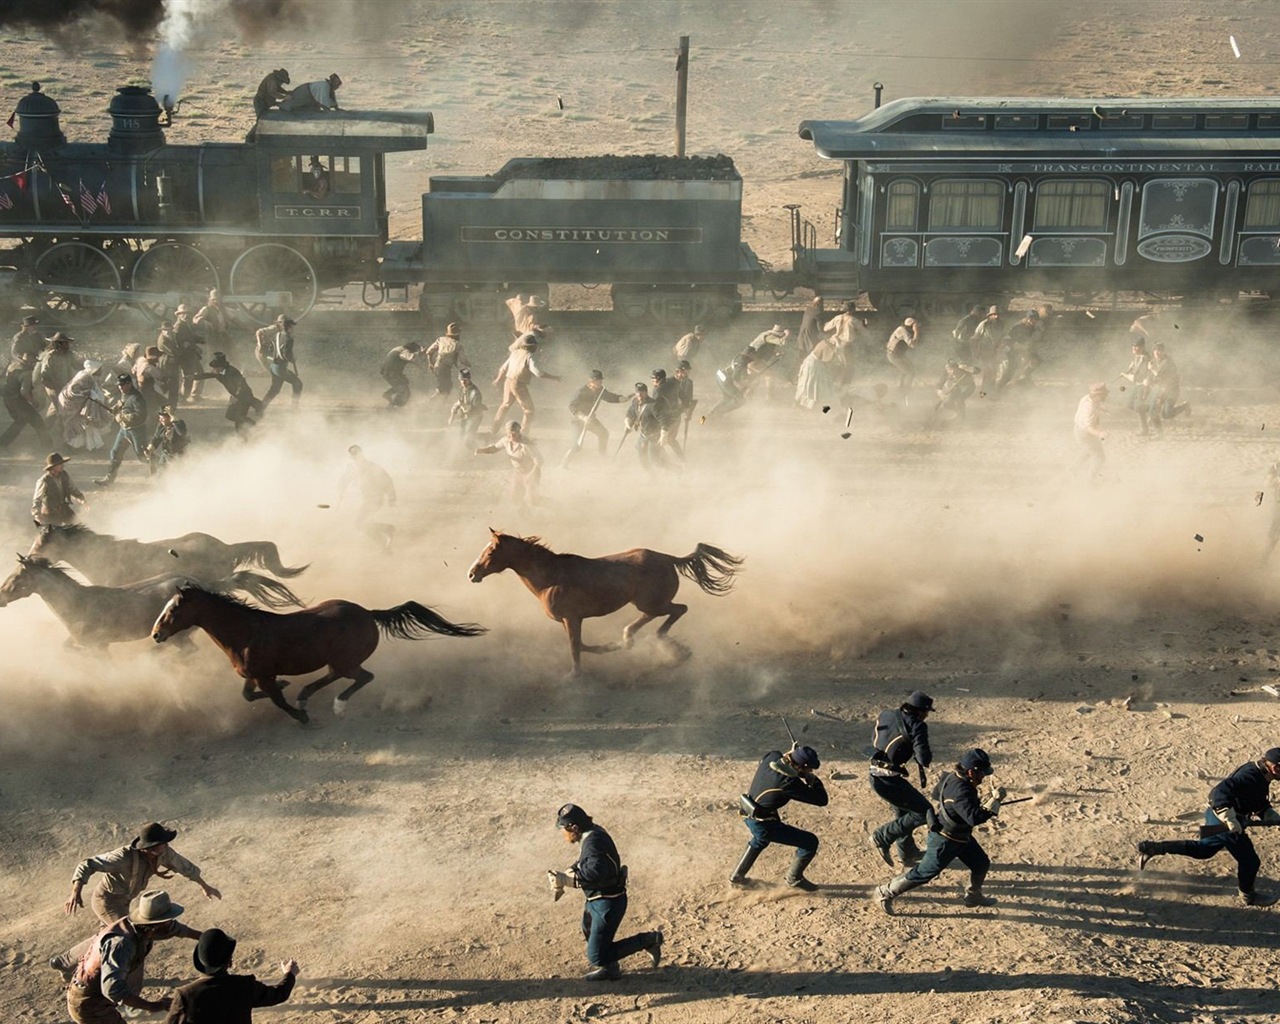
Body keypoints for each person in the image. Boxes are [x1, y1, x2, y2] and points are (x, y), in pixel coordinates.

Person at [1137, 747, 1280, 906]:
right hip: (1223, 821)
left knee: (1204, 850)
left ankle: (1152, 848)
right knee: (1250, 862)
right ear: (1275, 768)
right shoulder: (1250, 775)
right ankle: (1249, 897)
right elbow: (1219, 792)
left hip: (1217, 818)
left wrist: (1268, 814)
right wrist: (1228, 818)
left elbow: (1253, 798)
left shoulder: (1261, 774)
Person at [874, 748, 1002, 914]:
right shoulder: (962, 791)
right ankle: (885, 892)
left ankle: (973, 895)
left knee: (981, 863)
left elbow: (937, 795)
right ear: (971, 772)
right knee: (923, 873)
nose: (983, 778)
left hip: (961, 836)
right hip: (945, 840)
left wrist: (963, 806)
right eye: (982, 774)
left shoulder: (952, 777)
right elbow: (974, 818)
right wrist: (994, 803)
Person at [546, 803, 663, 982]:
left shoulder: (593, 842)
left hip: (608, 903)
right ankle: (611, 969)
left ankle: (649, 940)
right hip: (598, 899)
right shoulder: (591, 833)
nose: (564, 833)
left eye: (565, 829)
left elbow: (596, 871)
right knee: (588, 928)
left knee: (597, 957)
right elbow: (586, 861)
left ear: (574, 827)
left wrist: (568, 880)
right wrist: (570, 870)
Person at [65, 889, 199, 1024]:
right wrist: (152, 1006)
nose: (172, 923)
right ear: (154, 925)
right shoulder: (122, 945)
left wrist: (205, 938)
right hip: (91, 1006)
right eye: (168, 921)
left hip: (99, 1001)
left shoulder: (144, 927)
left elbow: (177, 929)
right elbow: (113, 990)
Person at [63, 822, 222, 927]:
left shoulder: (164, 853)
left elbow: (184, 867)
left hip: (126, 901)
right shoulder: (122, 857)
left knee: (108, 937)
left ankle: (66, 962)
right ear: (149, 848)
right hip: (107, 902)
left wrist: (204, 886)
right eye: (162, 843)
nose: (166, 845)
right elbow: (87, 864)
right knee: (129, 936)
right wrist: (75, 893)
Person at [730, 743, 828, 890]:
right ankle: (793, 878)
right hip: (763, 824)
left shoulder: (773, 756)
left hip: (748, 812)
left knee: (760, 840)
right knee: (810, 842)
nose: (811, 771)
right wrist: (814, 781)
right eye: (808, 768)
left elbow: (772, 757)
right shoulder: (788, 783)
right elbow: (821, 800)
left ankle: (736, 878)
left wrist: (791, 754)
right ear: (800, 766)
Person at [165, 928, 298, 1023]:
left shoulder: (185, 995)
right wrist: (289, 974)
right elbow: (279, 994)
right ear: (229, 961)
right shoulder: (245, 986)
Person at [868, 692, 935, 868]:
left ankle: (907, 852)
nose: (927, 715)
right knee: (924, 812)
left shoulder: (886, 714)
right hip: (889, 781)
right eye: (926, 712)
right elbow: (924, 759)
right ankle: (881, 836)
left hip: (876, 774)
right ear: (920, 711)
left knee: (904, 812)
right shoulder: (918, 726)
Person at [490, 333, 560, 431]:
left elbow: (503, 368)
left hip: (508, 381)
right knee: (529, 410)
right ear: (531, 346)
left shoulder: (515, 353)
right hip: (518, 384)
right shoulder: (529, 356)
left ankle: (493, 430)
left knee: (505, 405)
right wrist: (554, 378)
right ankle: (523, 434)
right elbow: (538, 372)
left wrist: (498, 379)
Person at [337, 444, 396, 550]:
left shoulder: (372, 467)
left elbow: (387, 481)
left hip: (375, 499)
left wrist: (392, 498)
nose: (355, 457)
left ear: (361, 454)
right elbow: (344, 480)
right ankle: (384, 546)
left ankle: (388, 530)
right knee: (366, 524)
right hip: (366, 500)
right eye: (353, 455)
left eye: (356, 454)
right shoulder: (354, 469)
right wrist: (341, 491)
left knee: (359, 524)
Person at [95, 374, 149, 486]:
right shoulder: (124, 394)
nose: (120, 387)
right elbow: (123, 404)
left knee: (143, 456)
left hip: (137, 431)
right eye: (119, 385)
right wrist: (116, 409)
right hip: (124, 430)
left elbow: (141, 415)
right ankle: (110, 478)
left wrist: (123, 417)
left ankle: (164, 466)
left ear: (129, 383)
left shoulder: (137, 398)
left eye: (122, 385)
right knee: (115, 452)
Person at [193, 352, 261, 437]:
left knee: (238, 418)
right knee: (230, 415)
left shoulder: (233, 372)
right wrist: (194, 377)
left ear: (221, 366)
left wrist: (236, 396)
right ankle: (251, 425)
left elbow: (241, 385)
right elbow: (208, 375)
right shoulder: (218, 372)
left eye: (215, 367)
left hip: (243, 396)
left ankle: (248, 432)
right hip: (236, 396)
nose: (214, 369)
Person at [476, 421, 542, 506]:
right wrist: (481, 450)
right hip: (518, 473)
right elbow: (495, 448)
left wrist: (531, 475)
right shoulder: (506, 440)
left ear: (518, 432)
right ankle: (527, 517)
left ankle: (557, 506)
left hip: (531, 472)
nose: (511, 436)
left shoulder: (526, 445)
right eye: (508, 433)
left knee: (533, 501)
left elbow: (539, 461)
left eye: (513, 434)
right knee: (515, 498)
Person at [566, 370, 625, 457]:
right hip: (578, 421)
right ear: (591, 381)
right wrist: (583, 417)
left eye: (601, 381)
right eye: (598, 381)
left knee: (604, 434)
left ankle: (602, 457)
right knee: (576, 445)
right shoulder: (581, 392)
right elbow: (572, 406)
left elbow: (610, 397)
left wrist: (620, 398)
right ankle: (564, 463)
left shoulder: (600, 390)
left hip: (591, 420)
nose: (600, 383)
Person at [0, 349, 52, 448]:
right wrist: (33, 401)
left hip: (8, 399)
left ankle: (2, 443)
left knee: (20, 422)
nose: (34, 364)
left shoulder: (12, 365)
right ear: (30, 360)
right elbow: (24, 391)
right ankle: (47, 447)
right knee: (38, 422)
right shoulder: (26, 372)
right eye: (33, 361)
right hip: (18, 401)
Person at [56, 359, 112, 450]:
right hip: (70, 403)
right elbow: (73, 390)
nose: (101, 371)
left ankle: (88, 446)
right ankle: (72, 447)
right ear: (95, 370)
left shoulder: (89, 376)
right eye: (99, 369)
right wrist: (88, 393)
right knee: (79, 422)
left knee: (86, 422)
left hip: (81, 403)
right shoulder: (84, 376)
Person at [1145, 341, 1190, 434]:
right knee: (1153, 408)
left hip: (1171, 390)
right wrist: (1148, 381)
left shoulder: (1168, 362)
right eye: (1156, 350)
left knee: (1167, 414)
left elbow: (1161, 376)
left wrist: (1152, 369)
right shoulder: (1153, 362)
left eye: (1160, 350)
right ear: (1153, 351)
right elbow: (1151, 377)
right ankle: (1158, 431)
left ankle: (1184, 407)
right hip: (1161, 389)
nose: (1158, 352)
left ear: (1163, 351)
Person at [32, 451, 87, 526]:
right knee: (53, 535)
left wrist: (82, 500)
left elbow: (73, 489)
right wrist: (37, 514)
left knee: (78, 527)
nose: (63, 466)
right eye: (60, 464)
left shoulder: (64, 475)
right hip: (50, 513)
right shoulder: (43, 481)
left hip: (64, 509)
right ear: (53, 467)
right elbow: (37, 500)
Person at [259, 315, 302, 409]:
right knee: (298, 384)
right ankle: (294, 407)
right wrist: (292, 359)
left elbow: (271, 349)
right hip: (281, 368)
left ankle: (261, 407)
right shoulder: (289, 339)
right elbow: (286, 354)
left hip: (273, 366)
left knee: (274, 389)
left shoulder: (276, 335)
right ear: (289, 326)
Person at [624, 382, 666, 471]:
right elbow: (630, 414)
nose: (639, 394)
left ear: (646, 392)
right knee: (642, 457)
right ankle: (652, 477)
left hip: (654, 436)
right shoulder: (635, 402)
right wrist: (628, 424)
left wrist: (663, 435)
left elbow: (663, 420)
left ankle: (676, 469)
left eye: (642, 392)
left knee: (654, 460)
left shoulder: (653, 405)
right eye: (637, 392)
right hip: (643, 435)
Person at [38, 331, 81, 416]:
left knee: (57, 408)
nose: (67, 345)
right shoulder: (50, 356)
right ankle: (51, 426)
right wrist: (54, 388)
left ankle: (46, 426)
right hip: (53, 386)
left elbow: (76, 365)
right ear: (58, 344)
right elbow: (45, 375)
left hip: (65, 385)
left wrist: (88, 367)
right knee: (60, 407)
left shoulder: (68, 355)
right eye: (65, 343)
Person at [794, 332, 839, 412]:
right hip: (812, 365)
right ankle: (804, 405)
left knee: (808, 384)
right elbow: (827, 359)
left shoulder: (824, 342)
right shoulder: (826, 345)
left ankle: (803, 404)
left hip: (813, 364)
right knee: (810, 385)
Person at [1073, 382, 1108, 482]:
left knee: (1090, 450)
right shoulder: (1089, 408)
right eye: (1104, 394)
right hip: (1084, 433)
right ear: (1098, 395)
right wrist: (1100, 433)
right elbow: (1088, 427)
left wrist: (1102, 409)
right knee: (1100, 457)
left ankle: (1073, 468)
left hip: (1079, 431)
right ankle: (1090, 481)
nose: (1106, 396)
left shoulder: (1087, 398)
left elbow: (1095, 404)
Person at [823, 300, 864, 384]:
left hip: (835, 344)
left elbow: (825, 328)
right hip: (845, 346)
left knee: (836, 365)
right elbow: (863, 331)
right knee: (847, 366)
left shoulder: (837, 318)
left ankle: (832, 382)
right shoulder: (854, 320)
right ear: (853, 310)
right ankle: (843, 385)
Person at [423, 323, 469, 397]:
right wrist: (469, 365)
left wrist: (430, 363)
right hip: (445, 368)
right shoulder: (457, 345)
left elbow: (429, 352)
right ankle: (433, 403)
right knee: (446, 387)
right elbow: (463, 360)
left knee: (445, 386)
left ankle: (439, 402)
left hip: (437, 366)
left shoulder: (440, 339)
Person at [706, 349, 754, 418]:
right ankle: (718, 413)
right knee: (740, 400)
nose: (754, 357)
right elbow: (735, 376)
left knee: (726, 399)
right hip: (726, 380)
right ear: (750, 354)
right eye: (753, 354)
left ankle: (707, 416)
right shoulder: (743, 362)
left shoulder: (739, 359)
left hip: (720, 377)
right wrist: (746, 382)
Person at [649, 368, 684, 460]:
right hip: (677, 417)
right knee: (671, 440)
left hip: (667, 419)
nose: (652, 380)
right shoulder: (672, 384)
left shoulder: (658, 391)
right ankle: (682, 459)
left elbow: (655, 407)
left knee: (658, 441)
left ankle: (666, 463)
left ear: (660, 379)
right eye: (652, 378)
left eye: (654, 378)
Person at [171, 305, 204, 400]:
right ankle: (183, 397)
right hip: (185, 355)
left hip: (191, 354)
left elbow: (191, 338)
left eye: (187, 313)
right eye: (183, 314)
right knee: (188, 376)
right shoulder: (178, 326)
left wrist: (200, 340)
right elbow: (181, 342)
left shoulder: (186, 324)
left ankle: (194, 395)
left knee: (199, 373)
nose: (186, 315)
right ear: (179, 315)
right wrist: (193, 346)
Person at [1120, 338, 1150, 435]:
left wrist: (1125, 375)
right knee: (1130, 403)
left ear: (1142, 347)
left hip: (1145, 385)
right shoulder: (1137, 357)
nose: (1135, 348)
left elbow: (1138, 377)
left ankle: (1144, 429)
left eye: (1137, 347)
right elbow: (1133, 369)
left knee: (1139, 407)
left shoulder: (1145, 359)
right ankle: (1151, 412)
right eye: (1133, 346)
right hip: (1138, 385)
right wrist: (1128, 371)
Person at [147, 406, 190, 474]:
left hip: (178, 457)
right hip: (166, 454)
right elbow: (157, 437)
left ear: (169, 417)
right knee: (160, 475)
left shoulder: (179, 424)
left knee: (180, 476)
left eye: (162, 418)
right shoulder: (161, 425)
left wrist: (173, 418)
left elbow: (182, 432)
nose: (160, 420)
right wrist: (152, 445)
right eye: (159, 418)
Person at [448, 368, 486, 443]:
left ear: (469, 379)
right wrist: (452, 415)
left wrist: (462, 406)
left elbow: (474, 409)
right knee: (462, 436)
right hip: (465, 417)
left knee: (468, 437)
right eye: (461, 380)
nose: (463, 382)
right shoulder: (462, 389)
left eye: (465, 380)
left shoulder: (475, 393)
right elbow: (459, 401)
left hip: (474, 417)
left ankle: (484, 438)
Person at [886, 316, 919, 399]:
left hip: (896, 355)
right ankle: (905, 393)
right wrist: (916, 332)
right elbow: (912, 344)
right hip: (894, 356)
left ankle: (900, 389)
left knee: (906, 370)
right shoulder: (904, 331)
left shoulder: (902, 328)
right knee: (910, 372)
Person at [380, 340, 422, 407]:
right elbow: (410, 358)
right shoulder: (405, 351)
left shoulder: (400, 348)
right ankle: (393, 406)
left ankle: (388, 394)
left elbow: (410, 360)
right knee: (404, 391)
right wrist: (420, 354)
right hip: (391, 373)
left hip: (389, 371)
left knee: (404, 383)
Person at [971, 307, 1003, 392]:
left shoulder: (1001, 324)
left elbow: (1003, 336)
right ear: (990, 315)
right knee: (988, 371)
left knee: (994, 372)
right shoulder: (983, 324)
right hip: (985, 351)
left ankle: (990, 391)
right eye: (994, 315)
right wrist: (975, 351)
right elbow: (975, 337)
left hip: (995, 351)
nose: (996, 317)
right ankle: (983, 392)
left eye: (997, 315)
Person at [192, 289, 231, 357]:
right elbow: (196, 318)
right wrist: (198, 320)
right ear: (211, 300)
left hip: (223, 335)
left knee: (231, 353)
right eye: (215, 299)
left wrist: (245, 326)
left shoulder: (223, 309)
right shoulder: (206, 309)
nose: (217, 301)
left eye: (219, 299)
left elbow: (234, 318)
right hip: (212, 336)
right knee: (214, 355)